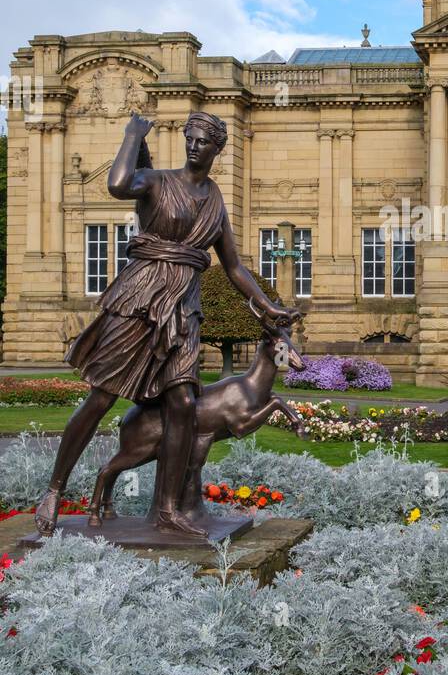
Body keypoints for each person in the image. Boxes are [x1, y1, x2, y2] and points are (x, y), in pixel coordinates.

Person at [34, 110, 295, 539]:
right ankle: (54, 490)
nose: (193, 146)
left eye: (202, 141)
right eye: (189, 138)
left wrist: (268, 308)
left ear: (217, 149)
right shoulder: (155, 181)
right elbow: (118, 184)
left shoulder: (215, 202)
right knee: (100, 398)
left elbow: (234, 268)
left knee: (185, 406)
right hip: (139, 300)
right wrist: (133, 136)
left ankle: (169, 509)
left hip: (183, 310)